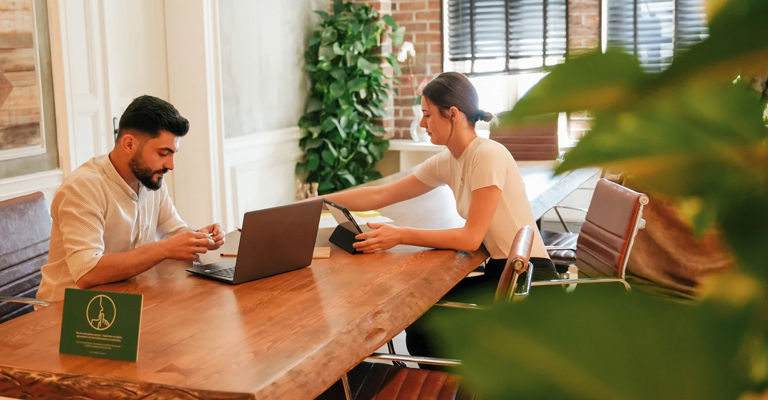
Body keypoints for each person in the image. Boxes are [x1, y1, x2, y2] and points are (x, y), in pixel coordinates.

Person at [318, 72, 558, 364]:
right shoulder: (450, 159)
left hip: (530, 282)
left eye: (427, 115)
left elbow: (470, 237)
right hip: (503, 273)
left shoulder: (487, 156)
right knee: (419, 307)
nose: (422, 123)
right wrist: (316, 203)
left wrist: (400, 235)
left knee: (423, 320)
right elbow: (380, 195)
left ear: (453, 115)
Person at [37, 95, 225, 303]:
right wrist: (164, 248)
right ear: (129, 144)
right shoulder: (83, 188)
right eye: (163, 153)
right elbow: (87, 272)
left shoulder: (151, 179)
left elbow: (174, 231)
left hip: (123, 300)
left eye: (173, 154)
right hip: (68, 313)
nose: (171, 165)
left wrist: (200, 238)